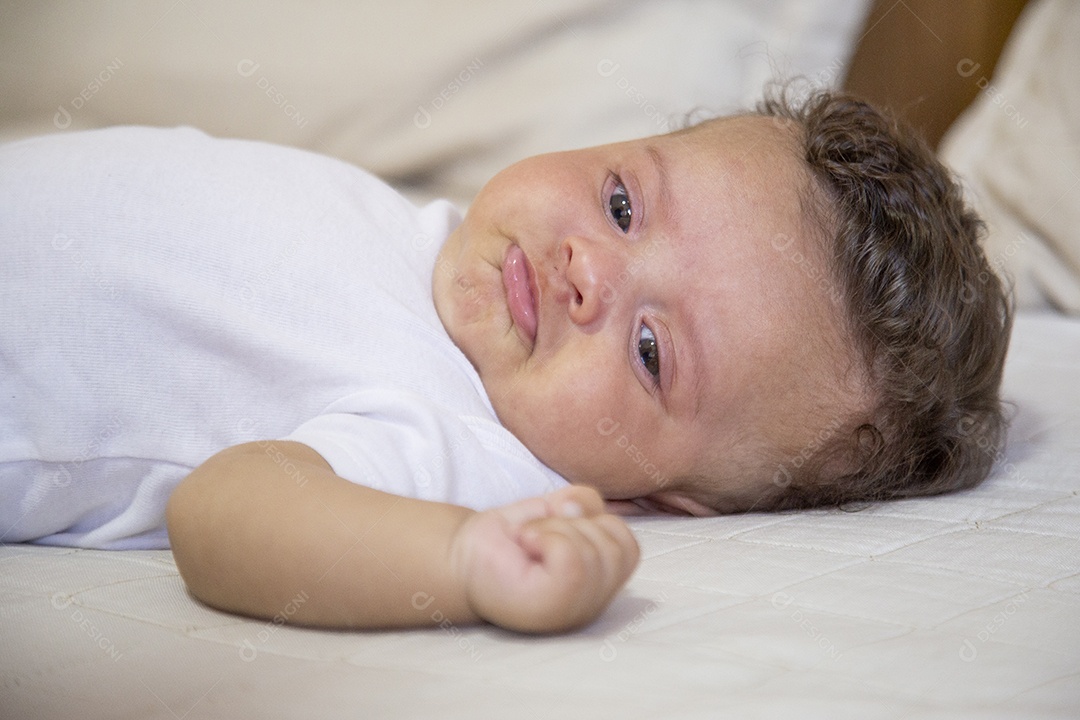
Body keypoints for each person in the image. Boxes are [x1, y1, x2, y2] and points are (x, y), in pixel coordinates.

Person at [0, 88, 1012, 633]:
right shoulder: (431, 235)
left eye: (651, 352)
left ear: (670, 497)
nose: (588, 270)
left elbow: (220, 515)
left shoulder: (469, 441)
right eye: (623, 203)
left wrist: (460, 563)